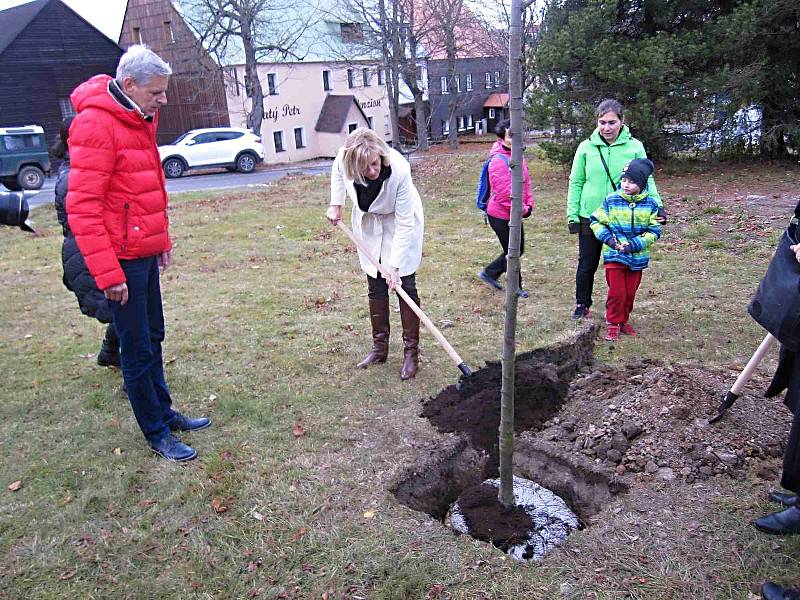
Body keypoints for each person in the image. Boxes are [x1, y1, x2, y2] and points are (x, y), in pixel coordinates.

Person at [67, 45, 209, 462]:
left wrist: (160, 239)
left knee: (154, 336)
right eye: (157, 93)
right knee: (136, 348)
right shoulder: (96, 125)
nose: (163, 100)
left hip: (142, 253)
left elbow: (146, 188)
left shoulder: (139, 116)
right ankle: (155, 431)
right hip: (120, 262)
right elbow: (83, 207)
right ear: (129, 85)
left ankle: (164, 412)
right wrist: (108, 273)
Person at [327, 128, 425, 380]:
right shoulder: (345, 158)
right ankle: (380, 349)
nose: (372, 171)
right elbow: (338, 174)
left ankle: (411, 354)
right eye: (365, 168)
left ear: (380, 153)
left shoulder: (400, 170)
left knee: (406, 285)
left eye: (374, 163)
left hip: (398, 223)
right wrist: (335, 204)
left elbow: (404, 224)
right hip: (370, 224)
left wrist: (394, 266)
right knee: (375, 284)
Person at [567, 99, 664, 320]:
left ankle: (619, 310)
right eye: (602, 122)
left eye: (612, 122)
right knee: (587, 263)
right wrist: (572, 214)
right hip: (590, 216)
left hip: (623, 216)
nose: (607, 128)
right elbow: (576, 181)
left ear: (621, 122)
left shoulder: (635, 147)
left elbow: (647, 181)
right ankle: (582, 304)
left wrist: (658, 207)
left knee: (621, 266)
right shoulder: (585, 147)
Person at [52, 117, 120, 368]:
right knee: (126, 312)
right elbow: (83, 224)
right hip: (85, 253)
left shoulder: (83, 168)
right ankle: (137, 379)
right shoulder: (73, 177)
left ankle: (111, 352)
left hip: (90, 249)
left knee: (125, 309)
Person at [589, 158, 661, 341]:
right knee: (617, 292)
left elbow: (653, 231)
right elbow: (596, 221)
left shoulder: (651, 204)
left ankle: (623, 320)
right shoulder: (611, 200)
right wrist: (611, 241)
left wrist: (635, 244)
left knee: (630, 293)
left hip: (637, 257)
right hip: (615, 254)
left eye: (632, 181)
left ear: (642, 183)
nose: (626, 184)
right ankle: (612, 322)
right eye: (624, 180)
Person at [476, 119, 534, 297]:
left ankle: (498, 277)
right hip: (500, 215)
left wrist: (529, 203)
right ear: (502, 137)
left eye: (517, 135)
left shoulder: (517, 155)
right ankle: (506, 282)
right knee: (514, 251)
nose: (514, 139)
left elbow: (526, 182)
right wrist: (523, 209)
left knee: (515, 250)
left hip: (514, 213)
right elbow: (504, 194)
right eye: (510, 136)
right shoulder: (499, 160)